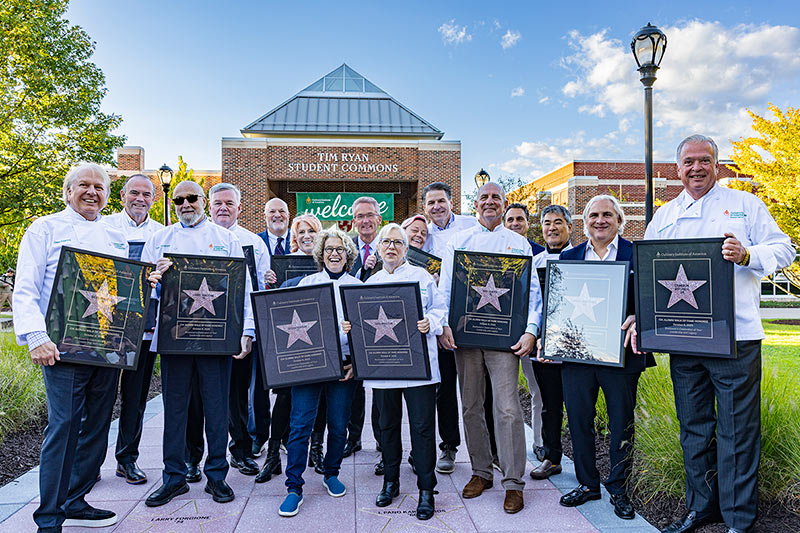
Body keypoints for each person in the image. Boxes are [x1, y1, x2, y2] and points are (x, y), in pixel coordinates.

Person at [648, 135, 794, 533]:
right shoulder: (664, 216)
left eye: (704, 161)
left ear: (717, 165)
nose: (696, 168)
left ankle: (738, 519)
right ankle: (702, 507)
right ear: (676, 169)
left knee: (737, 431)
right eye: (688, 162)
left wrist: (748, 255)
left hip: (736, 337)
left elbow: (785, 248)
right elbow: (649, 273)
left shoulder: (746, 204)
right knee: (694, 428)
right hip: (684, 338)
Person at [14, 163, 129, 531]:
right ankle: (49, 517)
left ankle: (76, 500)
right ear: (68, 191)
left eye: (99, 187)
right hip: (60, 348)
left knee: (97, 426)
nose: (92, 192)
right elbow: (26, 288)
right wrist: (35, 336)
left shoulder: (115, 235)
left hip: (105, 347)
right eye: (84, 185)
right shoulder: (44, 228)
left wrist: (146, 282)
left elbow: (119, 290)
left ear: (107, 196)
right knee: (63, 428)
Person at [142, 180, 255, 508]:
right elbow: (146, 290)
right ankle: (173, 477)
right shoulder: (160, 240)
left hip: (216, 339)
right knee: (175, 409)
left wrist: (245, 332)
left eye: (192, 198)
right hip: (174, 338)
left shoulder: (226, 239)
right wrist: (154, 279)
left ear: (203, 201)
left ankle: (217, 476)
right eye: (179, 200)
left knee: (217, 408)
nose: (185, 204)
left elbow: (243, 289)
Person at [438, 182, 541, 514]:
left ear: (504, 202)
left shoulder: (519, 243)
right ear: (476, 203)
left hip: (504, 340)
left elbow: (533, 293)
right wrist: (444, 325)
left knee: (508, 408)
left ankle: (513, 482)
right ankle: (481, 471)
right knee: (470, 405)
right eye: (484, 198)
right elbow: (445, 289)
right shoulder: (459, 242)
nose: (490, 202)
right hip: (466, 338)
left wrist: (531, 330)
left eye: (496, 197)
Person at [553, 195, 655, 520]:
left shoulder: (635, 255)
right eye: (594, 215)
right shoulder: (568, 257)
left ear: (619, 219)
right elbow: (557, 305)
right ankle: (587, 484)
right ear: (585, 221)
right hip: (577, 355)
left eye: (607, 214)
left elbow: (652, 298)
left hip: (621, 354)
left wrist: (640, 317)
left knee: (621, 423)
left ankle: (619, 488)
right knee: (579, 420)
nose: (600, 220)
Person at [343, 222, 445, 520]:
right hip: (384, 369)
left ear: (406, 248)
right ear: (378, 247)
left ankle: (427, 489)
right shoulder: (368, 284)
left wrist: (431, 322)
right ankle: (391, 482)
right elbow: (361, 324)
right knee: (387, 428)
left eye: (398, 243)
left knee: (423, 429)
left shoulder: (422, 277)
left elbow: (440, 309)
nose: (391, 247)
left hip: (419, 367)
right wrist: (351, 328)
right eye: (386, 242)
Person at [279, 226, 361, 517]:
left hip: (342, 366)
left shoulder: (357, 286)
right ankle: (294, 487)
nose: (335, 254)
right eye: (329, 249)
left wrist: (356, 362)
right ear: (321, 254)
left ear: (348, 254)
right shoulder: (306, 284)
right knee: (300, 425)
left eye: (340, 249)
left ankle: (331, 472)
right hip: (309, 365)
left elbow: (364, 333)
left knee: (339, 425)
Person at [203, 183, 271, 478]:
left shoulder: (253, 243)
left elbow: (260, 288)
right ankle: (196, 456)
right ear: (209, 206)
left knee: (239, 393)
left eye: (229, 203)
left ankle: (240, 450)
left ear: (239, 208)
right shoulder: (200, 237)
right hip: (204, 325)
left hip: (241, 326)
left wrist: (251, 329)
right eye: (217, 203)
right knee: (205, 395)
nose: (223, 208)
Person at [102, 174, 164, 485]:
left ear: (154, 199)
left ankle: (127, 458)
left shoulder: (161, 234)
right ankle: (87, 465)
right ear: (123, 195)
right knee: (99, 397)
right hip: (106, 327)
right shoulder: (104, 227)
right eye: (134, 193)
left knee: (135, 396)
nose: (140, 199)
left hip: (145, 329)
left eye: (147, 194)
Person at [256, 213, 323, 483]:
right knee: (283, 398)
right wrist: (269, 280)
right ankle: (273, 456)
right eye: (301, 232)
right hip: (290, 344)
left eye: (311, 231)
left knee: (322, 400)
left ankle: (315, 452)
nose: (306, 236)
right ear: (294, 238)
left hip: (319, 342)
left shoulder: (328, 263)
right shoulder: (281, 267)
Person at [421, 182, 478, 474]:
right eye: (431, 203)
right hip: (439, 322)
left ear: (451, 201)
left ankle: (487, 450)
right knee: (443, 389)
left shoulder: (471, 226)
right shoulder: (421, 233)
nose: (436, 207)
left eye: (441, 201)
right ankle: (448, 446)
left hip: (471, 318)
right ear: (424, 207)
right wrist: (440, 325)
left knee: (476, 389)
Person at [527, 204, 573, 480]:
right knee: (550, 405)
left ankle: (585, 461)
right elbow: (533, 304)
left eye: (558, 222)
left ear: (569, 227)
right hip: (545, 345)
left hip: (578, 345)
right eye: (547, 223)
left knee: (580, 406)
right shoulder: (535, 263)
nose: (552, 228)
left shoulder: (580, 257)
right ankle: (552, 457)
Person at [343, 197, 383, 470]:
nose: (366, 221)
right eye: (360, 216)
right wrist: (361, 268)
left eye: (371, 215)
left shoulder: (389, 244)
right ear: (353, 220)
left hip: (383, 327)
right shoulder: (345, 248)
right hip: (353, 327)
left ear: (379, 219)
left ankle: (383, 442)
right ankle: (353, 437)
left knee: (382, 389)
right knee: (353, 385)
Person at [251, 198, 287, 456]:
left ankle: (284, 435)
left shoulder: (299, 243)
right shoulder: (254, 243)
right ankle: (259, 435)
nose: (277, 215)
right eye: (272, 211)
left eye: (282, 211)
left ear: (288, 216)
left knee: (289, 382)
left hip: (291, 322)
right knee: (259, 384)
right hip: (262, 321)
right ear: (264, 216)